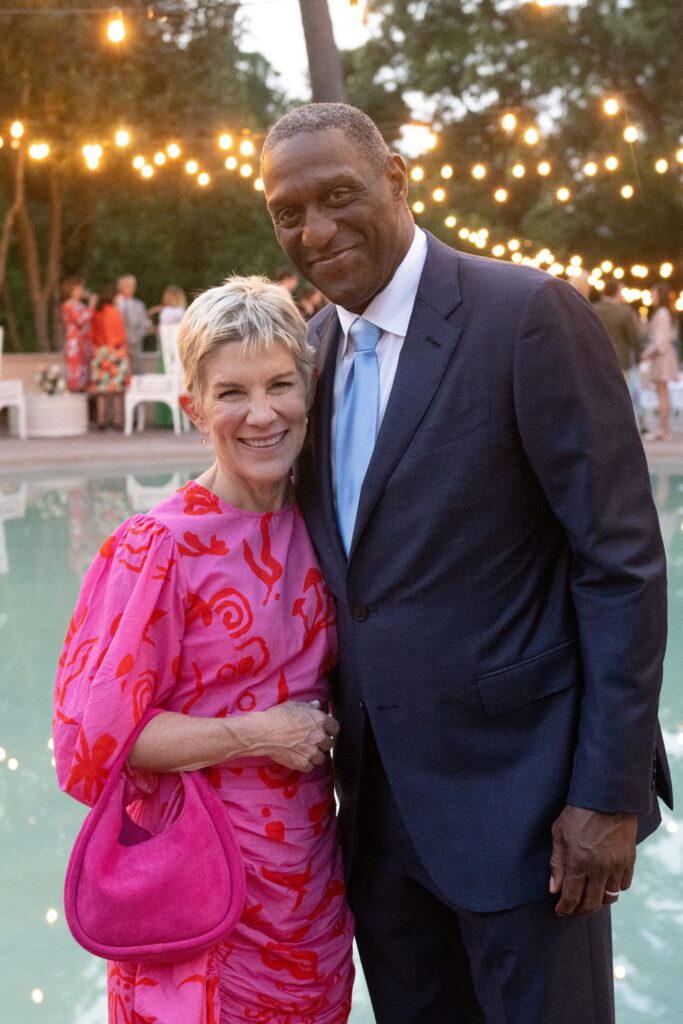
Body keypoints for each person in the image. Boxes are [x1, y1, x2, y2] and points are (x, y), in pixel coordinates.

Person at [261, 103, 672, 1024]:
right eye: (288, 213)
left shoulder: (526, 315)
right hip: (377, 829)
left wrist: (602, 795)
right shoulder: (313, 353)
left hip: (531, 817)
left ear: (397, 177)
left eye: (336, 195)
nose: (314, 230)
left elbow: (620, 565)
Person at [53, 276, 355, 1024]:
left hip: (311, 887)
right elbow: (88, 745)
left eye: (280, 384)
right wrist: (257, 734)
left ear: (306, 391)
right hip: (195, 890)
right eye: (231, 393)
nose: (261, 414)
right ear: (193, 406)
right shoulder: (156, 548)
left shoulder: (324, 523)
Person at [594, 277, 644, 430]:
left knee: (600, 392)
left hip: (597, 357)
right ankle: (620, 426)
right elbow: (633, 338)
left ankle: (602, 424)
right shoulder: (624, 311)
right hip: (620, 359)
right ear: (617, 291)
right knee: (621, 394)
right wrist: (638, 356)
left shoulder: (594, 308)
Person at [641, 281, 680, 442]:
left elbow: (661, 341)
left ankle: (663, 429)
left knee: (662, 392)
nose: (652, 296)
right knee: (662, 392)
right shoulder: (665, 312)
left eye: (654, 293)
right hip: (663, 355)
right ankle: (664, 428)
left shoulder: (662, 313)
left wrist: (647, 353)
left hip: (662, 357)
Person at [89, 284, 130, 430]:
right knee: (117, 388)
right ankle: (118, 419)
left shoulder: (95, 313)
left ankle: (101, 419)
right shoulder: (114, 312)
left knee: (102, 387)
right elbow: (121, 335)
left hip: (99, 352)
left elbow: (91, 334)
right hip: (115, 352)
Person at [60, 275, 95, 392]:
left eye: (81, 288)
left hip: (85, 344)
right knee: (75, 375)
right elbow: (80, 320)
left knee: (85, 375)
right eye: (77, 288)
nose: (80, 291)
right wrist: (91, 306)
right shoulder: (67, 306)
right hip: (74, 346)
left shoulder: (82, 306)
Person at [115, 273, 152, 373]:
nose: (131, 288)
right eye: (128, 285)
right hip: (116, 345)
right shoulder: (114, 303)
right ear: (120, 287)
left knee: (136, 371)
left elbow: (143, 325)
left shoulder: (139, 305)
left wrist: (134, 338)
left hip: (134, 345)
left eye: (133, 285)